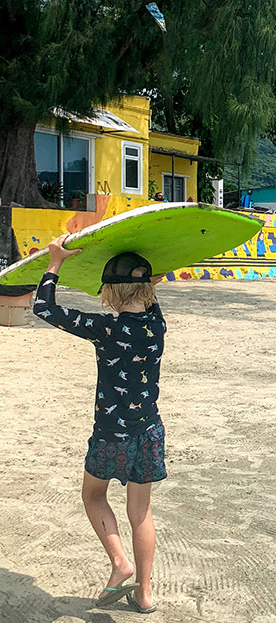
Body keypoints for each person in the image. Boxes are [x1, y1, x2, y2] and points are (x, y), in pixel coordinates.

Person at [33, 236, 167, 614]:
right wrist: (148, 284)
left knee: (93, 496)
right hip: (149, 431)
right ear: (146, 288)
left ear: (108, 292)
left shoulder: (105, 329)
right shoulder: (157, 326)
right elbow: (151, 301)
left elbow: (44, 308)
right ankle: (145, 594)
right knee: (140, 512)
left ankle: (120, 562)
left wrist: (54, 264)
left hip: (113, 434)